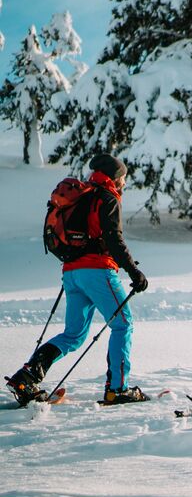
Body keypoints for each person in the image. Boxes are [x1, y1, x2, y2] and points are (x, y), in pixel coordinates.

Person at [5, 153, 149, 406]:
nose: (124, 182)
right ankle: (118, 389)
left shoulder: (84, 194)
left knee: (74, 335)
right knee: (123, 324)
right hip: (98, 271)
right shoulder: (107, 197)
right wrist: (133, 272)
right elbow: (114, 239)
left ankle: (27, 376)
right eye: (123, 177)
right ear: (114, 177)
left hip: (72, 273)